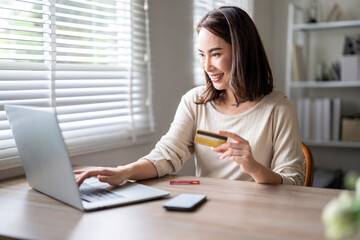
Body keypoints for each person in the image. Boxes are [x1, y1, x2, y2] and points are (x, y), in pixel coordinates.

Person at [75, 6, 304, 186]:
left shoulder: (279, 109)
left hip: (257, 217)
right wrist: (122, 172)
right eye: (202, 55)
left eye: (215, 54)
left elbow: (293, 182)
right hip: (207, 212)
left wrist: (253, 167)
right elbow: (167, 155)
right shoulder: (195, 102)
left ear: (242, 52)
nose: (207, 66)